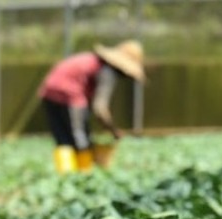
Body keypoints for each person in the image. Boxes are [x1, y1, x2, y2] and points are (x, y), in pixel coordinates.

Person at [38, 40, 145, 173]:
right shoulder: (107, 71)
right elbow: (100, 108)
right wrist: (113, 130)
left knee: (62, 138)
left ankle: (65, 176)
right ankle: (84, 175)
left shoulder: (92, 60)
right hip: (71, 94)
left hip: (49, 91)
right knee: (80, 137)